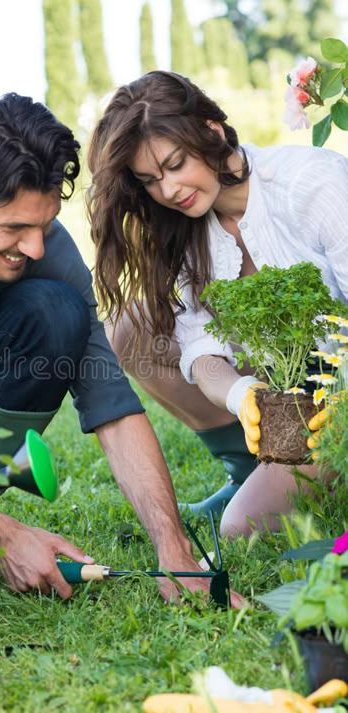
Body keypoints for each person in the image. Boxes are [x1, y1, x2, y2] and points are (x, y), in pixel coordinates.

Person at [0, 92, 244, 606]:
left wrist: (173, 547)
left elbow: (112, 406)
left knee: (58, 309)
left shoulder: (41, 250)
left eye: (42, 224)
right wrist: (3, 534)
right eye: (14, 228)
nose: (35, 248)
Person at [87, 70, 348, 537]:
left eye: (176, 163)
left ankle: (311, 468)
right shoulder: (188, 231)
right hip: (292, 398)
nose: (168, 190)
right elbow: (200, 349)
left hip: (341, 399)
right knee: (131, 326)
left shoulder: (311, 186)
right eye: (150, 180)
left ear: (212, 131)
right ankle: (248, 467)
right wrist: (240, 394)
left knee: (239, 529)